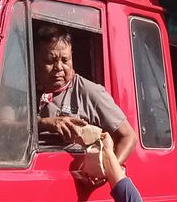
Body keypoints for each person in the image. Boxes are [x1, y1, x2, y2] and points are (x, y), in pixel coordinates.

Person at [35, 26, 138, 165]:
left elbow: (128, 137)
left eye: (65, 60)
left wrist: (108, 170)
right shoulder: (22, 90)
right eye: (50, 61)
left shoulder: (90, 92)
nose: (58, 67)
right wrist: (44, 124)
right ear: (35, 60)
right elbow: (3, 127)